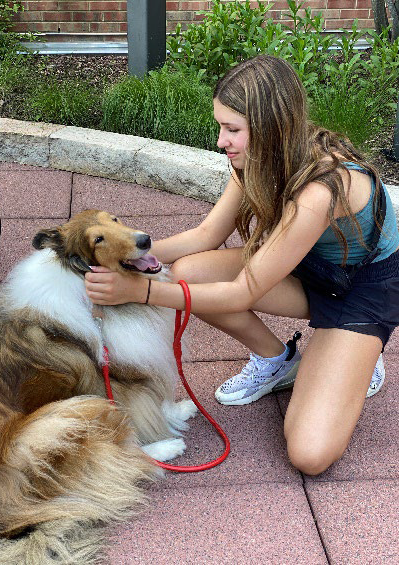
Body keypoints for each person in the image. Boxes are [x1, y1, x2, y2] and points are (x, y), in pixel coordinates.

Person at [85, 55, 399, 476]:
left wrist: (141, 291)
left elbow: (241, 293)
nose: (221, 140)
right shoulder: (255, 160)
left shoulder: (323, 187)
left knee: (309, 455)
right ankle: (278, 361)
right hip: (308, 268)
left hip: (364, 290)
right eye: (221, 126)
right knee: (190, 272)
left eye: (232, 129)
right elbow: (204, 237)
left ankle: (358, 354)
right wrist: (129, 254)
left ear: (270, 128)